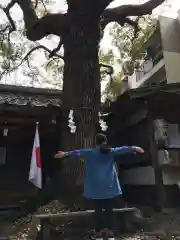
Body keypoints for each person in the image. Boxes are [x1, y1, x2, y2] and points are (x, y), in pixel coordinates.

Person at [55, 133, 144, 240]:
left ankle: (98, 233)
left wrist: (64, 154)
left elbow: (77, 152)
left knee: (97, 212)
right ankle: (109, 232)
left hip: (95, 188)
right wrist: (135, 148)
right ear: (105, 141)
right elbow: (123, 149)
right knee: (109, 211)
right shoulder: (111, 151)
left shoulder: (92, 152)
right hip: (109, 187)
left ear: (96, 143)